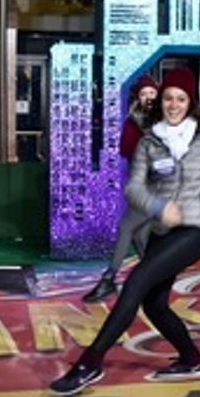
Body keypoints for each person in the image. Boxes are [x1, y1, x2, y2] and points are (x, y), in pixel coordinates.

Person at [50, 68, 200, 393]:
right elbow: (133, 188)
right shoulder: (149, 140)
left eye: (181, 99)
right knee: (154, 304)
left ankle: (91, 362)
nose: (174, 105)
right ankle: (191, 359)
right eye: (168, 98)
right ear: (160, 101)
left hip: (197, 227)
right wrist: (157, 207)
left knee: (136, 282)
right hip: (162, 228)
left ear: (191, 102)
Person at [83, 74, 159, 302]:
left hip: (162, 184)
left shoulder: (168, 120)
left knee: (126, 227)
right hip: (139, 182)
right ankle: (154, 279)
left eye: (152, 93)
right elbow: (125, 149)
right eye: (144, 94)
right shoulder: (132, 121)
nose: (148, 97)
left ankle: (108, 279)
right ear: (138, 97)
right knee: (140, 235)